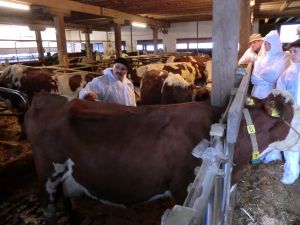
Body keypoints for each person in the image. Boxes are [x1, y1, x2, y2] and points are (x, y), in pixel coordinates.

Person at [262, 39, 300, 184]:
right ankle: (291, 172)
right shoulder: (289, 71)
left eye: (295, 51)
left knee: (295, 142)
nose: (292, 54)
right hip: (291, 112)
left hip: (298, 112)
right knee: (290, 142)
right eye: (291, 51)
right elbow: (280, 88)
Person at [251, 30, 291, 99]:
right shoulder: (264, 57)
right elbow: (254, 77)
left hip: (269, 95)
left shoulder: (284, 57)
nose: (265, 46)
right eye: (265, 44)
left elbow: (273, 76)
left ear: (273, 44)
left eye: (266, 44)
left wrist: (261, 73)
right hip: (256, 93)